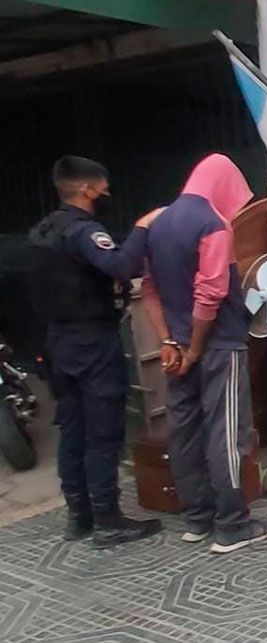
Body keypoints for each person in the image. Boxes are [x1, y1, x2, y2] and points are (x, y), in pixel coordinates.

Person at [27, 155, 164, 547]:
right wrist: (142, 228)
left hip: (58, 343)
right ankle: (108, 521)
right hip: (92, 342)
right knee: (103, 432)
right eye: (103, 190)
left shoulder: (43, 230)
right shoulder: (84, 231)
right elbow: (120, 266)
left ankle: (80, 517)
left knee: (73, 430)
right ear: (87, 189)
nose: (106, 196)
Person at [141, 153, 267, 553]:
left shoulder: (157, 224)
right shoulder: (212, 224)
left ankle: (197, 519)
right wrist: (196, 349)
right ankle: (232, 524)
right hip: (217, 348)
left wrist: (169, 342)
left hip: (177, 351)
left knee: (184, 431)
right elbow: (211, 292)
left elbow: (150, 289)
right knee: (226, 433)